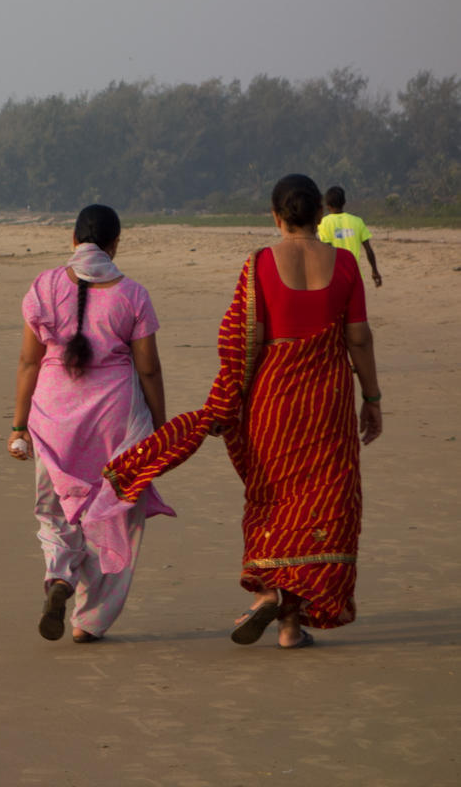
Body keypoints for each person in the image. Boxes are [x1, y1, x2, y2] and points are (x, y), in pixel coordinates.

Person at [104, 175, 380, 649]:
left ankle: (269, 591)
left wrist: (228, 399)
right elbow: (358, 337)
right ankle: (290, 626)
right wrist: (371, 398)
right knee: (322, 499)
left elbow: (239, 338)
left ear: (275, 216)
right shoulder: (347, 264)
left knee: (272, 496)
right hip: (328, 399)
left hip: (273, 398)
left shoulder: (260, 264)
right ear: (319, 214)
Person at [10, 205, 169, 643]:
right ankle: (88, 620)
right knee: (117, 515)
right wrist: (160, 427)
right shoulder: (132, 294)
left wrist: (19, 426)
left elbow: (29, 361)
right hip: (115, 420)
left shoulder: (44, 286)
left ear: (73, 239)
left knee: (54, 509)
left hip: (53, 418)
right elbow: (149, 369)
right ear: (115, 244)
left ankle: (60, 575)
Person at [318, 186, 382, 287]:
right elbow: (368, 250)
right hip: (355, 277)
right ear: (344, 202)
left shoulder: (323, 223)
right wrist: (374, 270)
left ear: (327, 205)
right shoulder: (357, 221)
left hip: (335, 278)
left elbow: (327, 251)